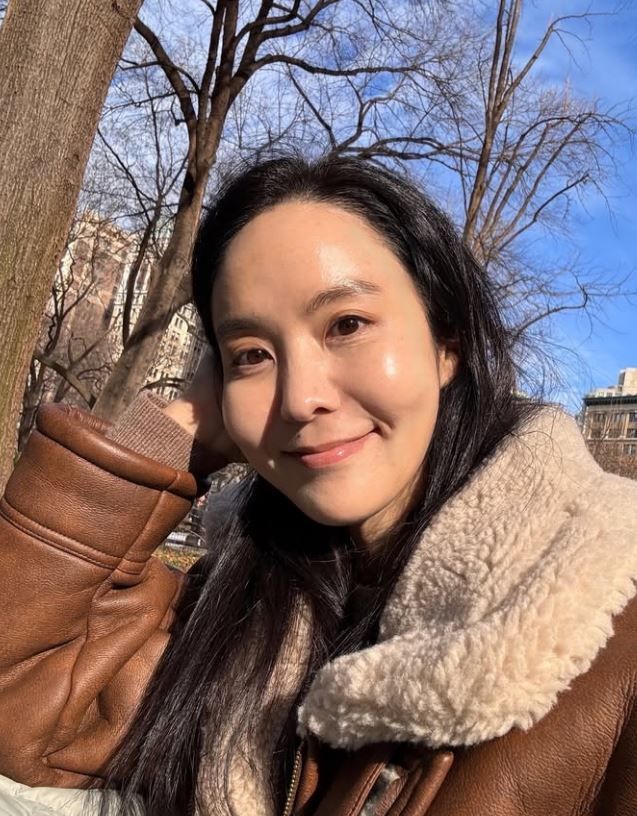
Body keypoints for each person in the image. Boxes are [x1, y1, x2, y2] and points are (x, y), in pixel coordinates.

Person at [0, 155, 636, 816]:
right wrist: (169, 435)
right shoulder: (237, 603)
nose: (300, 398)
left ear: (446, 342)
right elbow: (24, 720)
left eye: (346, 325)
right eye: (251, 354)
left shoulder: (610, 620)